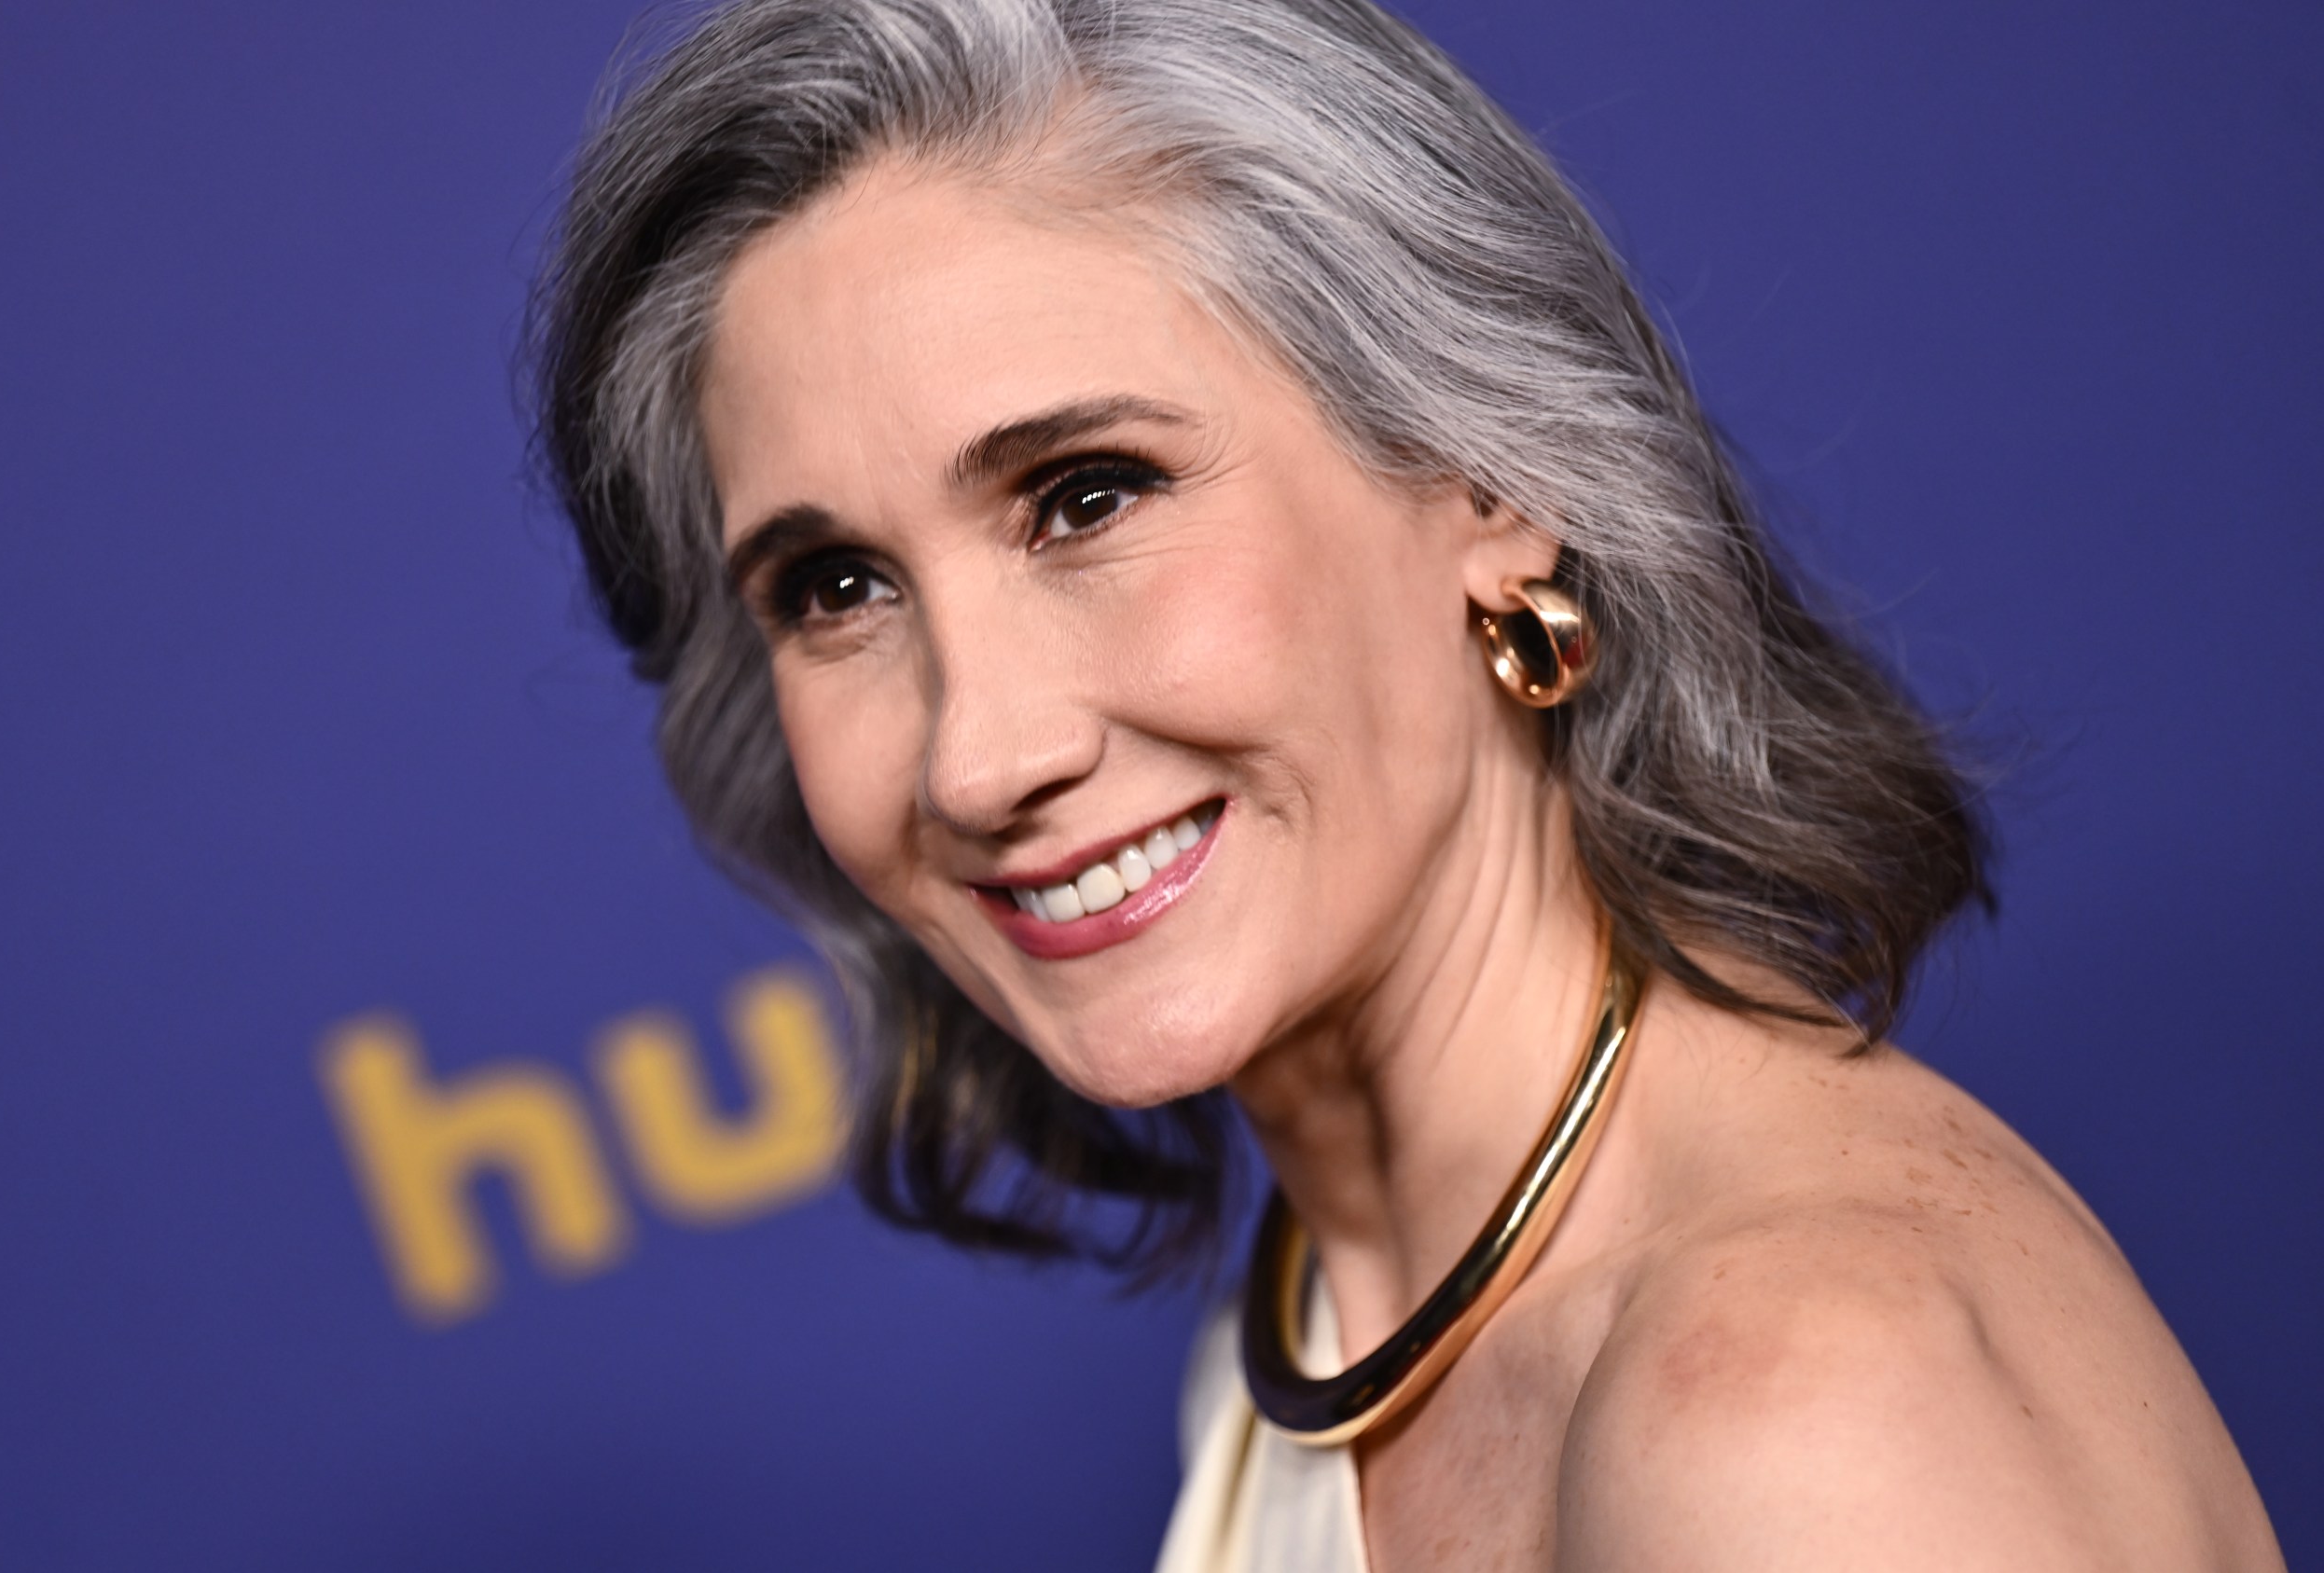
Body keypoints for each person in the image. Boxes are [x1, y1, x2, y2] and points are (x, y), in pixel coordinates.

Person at [524, 0, 2286, 1566]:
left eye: (1088, 495)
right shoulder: (1342, 1307)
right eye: (835, 589)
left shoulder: (1794, 1417)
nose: (980, 753)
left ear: (1486, 478)